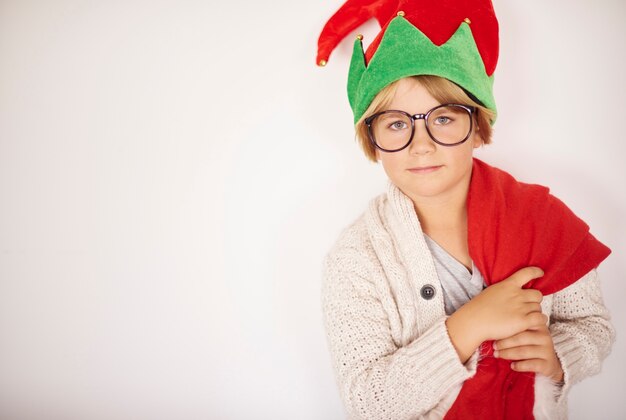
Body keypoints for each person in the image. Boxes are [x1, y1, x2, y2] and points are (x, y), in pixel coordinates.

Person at [316, 1, 615, 419]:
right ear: (372, 139)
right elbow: (368, 403)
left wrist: (559, 357)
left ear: (477, 126)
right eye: (397, 123)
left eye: (443, 118)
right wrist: (467, 326)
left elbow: (590, 325)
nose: (421, 144)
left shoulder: (541, 218)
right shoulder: (357, 259)